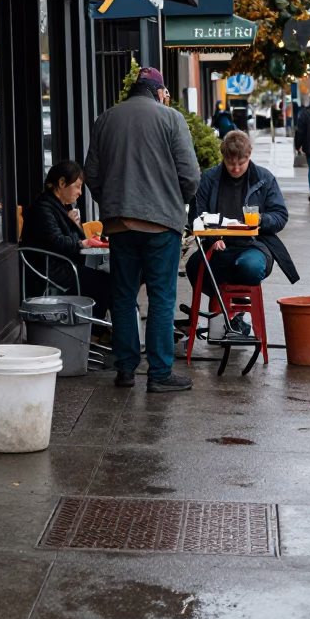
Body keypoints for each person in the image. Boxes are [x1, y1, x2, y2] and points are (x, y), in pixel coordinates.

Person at [85, 66, 200, 393]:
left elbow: (91, 173)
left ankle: (124, 370)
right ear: (159, 91)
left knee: (123, 297)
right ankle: (160, 373)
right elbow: (191, 175)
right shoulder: (171, 119)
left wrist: (111, 204)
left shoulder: (106, 118)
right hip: (161, 224)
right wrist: (177, 202)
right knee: (162, 298)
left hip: (120, 224)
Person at [187, 129, 299, 334]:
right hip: (218, 243)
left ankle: (232, 312)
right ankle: (226, 308)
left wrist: (260, 220)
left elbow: (280, 215)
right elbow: (196, 216)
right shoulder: (210, 178)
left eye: (241, 163)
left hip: (255, 244)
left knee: (249, 267)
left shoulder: (264, 178)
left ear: (249, 156)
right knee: (195, 266)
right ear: (223, 158)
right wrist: (212, 237)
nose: (236, 168)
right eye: (231, 163)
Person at [20, 160, 112, 320]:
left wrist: (74, 226)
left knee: (112, 270)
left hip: (68, 265)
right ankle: (96, 327)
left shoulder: (60, 207)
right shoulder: (44, 209)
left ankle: (105, 326)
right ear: (62, 183)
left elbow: (72, 238)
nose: (80, 192)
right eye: (77, 186)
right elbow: (56, 241)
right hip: (57, 272)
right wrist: (82, 243)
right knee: (107, 278)